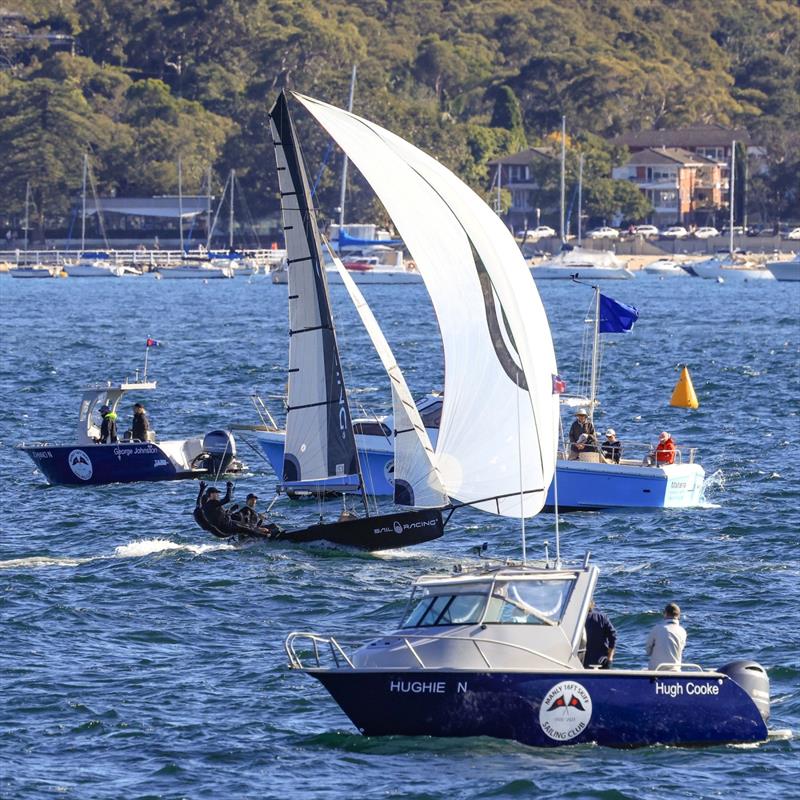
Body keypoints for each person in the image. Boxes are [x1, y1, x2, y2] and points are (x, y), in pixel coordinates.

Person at [645, 602, 687, 671]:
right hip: (675, 670)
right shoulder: (683, 631)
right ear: (679, 616)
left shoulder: (656, 629)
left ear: (665, 614)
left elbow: (648, 651)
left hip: (656, 670)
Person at [583, 600, 617, 669]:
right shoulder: (601, 617)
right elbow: (613, 636)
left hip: (581, 662)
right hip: (602, 661)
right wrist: (610, 658)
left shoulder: (576, 620)